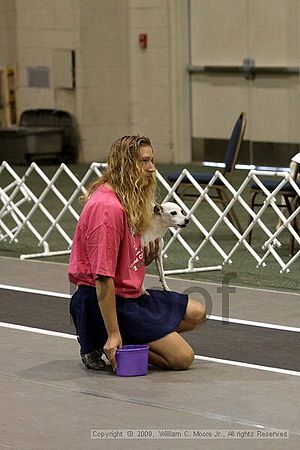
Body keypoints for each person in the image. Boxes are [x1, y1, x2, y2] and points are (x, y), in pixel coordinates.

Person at [68, 135, 206, 371]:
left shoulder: (129, 198)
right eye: (144, 162)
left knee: (196, 312)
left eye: (152, 160)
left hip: (130, 294)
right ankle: (103, 335)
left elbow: (123, 255)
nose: (152, 168)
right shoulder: (107, 208)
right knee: (182, 358)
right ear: (124, 165)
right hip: (104, 298)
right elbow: (101, 276)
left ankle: (128, 333)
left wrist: (143, 259)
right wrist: (113, 333)